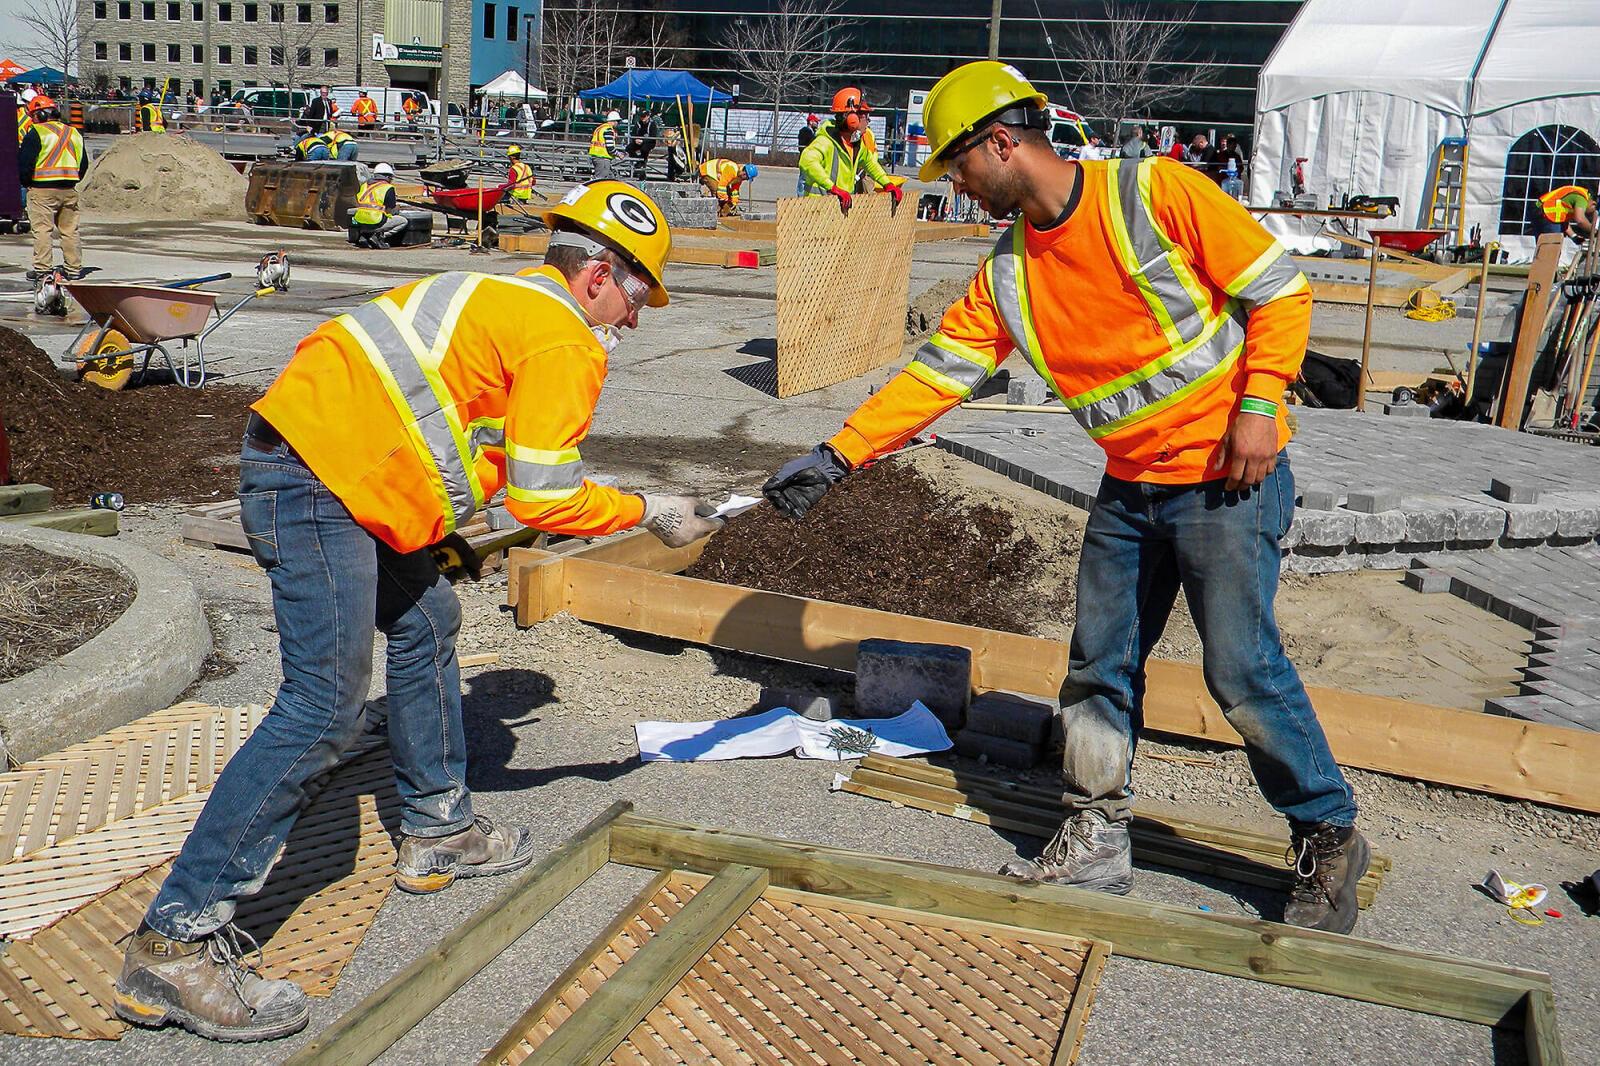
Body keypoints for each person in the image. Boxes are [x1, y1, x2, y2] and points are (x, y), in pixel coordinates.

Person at [762, 61, 1369, 936]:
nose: (960, 189)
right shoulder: (1008, 274)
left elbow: (1281, 291)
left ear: (1001, 143)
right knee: (1098, 668)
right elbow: (937, 376)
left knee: (1241, 671)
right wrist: (838, 452)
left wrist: (1263, 406)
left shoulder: (1156, 192)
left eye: (960, 168)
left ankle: (1327, 831)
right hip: (1131, 487)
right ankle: (1095, 834)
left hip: (1225, 478)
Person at [113, 180, 723, 1043]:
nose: (633, 319)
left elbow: (445, 425)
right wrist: (646, 509)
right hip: (321, 483)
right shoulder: (563, 338)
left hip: (339, 469)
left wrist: (440, 529)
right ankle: (173, 943)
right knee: (323, 706)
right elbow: (546, 496)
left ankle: (438, 827)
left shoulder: (491, 294)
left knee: (428, 618)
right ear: (596, 275)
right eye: (634, 295)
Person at [798, 88, 904, 213]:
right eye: (865, 115)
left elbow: (870, 163)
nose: (868, 121)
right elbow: (806, 161)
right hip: (818, 209)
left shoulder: (855, 144)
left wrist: (887, 184)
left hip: (838, 208)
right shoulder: (826, 142)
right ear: (852, 118)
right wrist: (832, 188)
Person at [19, 96, 88, 281]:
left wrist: (26, 182)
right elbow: (84, 164)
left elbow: (25, 163)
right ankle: (73, 269)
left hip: (42, 189)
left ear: (40, 115)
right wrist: (72, 179)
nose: (32, 119)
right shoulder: (74, 132)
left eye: (33, 115)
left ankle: (42, 269)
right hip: (69, 189)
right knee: (69, 230)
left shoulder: (37, 132)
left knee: (42, 230)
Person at [351, 162, 407, 247]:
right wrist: (397, 209)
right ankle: (378, 236)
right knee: (402, 221)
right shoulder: (387, 187)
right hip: (375, 221)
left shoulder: (365, 185)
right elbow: (390, 210)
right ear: (387, 177)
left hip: (359, 221)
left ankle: (365, 235)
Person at [590, 110, 620, 179]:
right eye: (618, 121)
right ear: (614, 121)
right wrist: (619, 154)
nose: (618, 123)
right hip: (603, 158)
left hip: (596, 156)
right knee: (600, 181)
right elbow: (610, 148)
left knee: (610, 179)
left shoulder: (600, 128)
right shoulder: (608, 130)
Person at [797, 113, 821, 195]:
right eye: (816, 122)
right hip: (805, 158)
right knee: (803, 179)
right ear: (810, 122)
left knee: (809, 179)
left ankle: (806, 195)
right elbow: (803, 145)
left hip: (812, 159)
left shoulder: (813, 133)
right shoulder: (805, 132)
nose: (817, 124)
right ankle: (800, 195)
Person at [1216, 133, 1246, 199]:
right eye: (1233, 145)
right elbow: (1218, 167)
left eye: (1235, 146)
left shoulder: (1237, 156)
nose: (1234, 147)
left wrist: (1236, 170)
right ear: (1228, 145)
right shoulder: (1221, 155)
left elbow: (1241, 168)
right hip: (1223, 181)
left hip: (1234, 182)